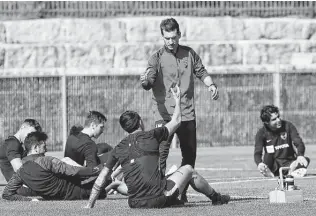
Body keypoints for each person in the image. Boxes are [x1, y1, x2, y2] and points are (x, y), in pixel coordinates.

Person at [85, 85, 230, 209]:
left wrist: (90, 204)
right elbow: (177, 120)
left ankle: (176, 200)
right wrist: (178, 100)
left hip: (134, 203)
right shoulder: (152, 135)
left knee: (162, 179)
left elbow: (102, 177)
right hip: (157, 198)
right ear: (140, 122)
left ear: (125, 129)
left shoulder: (119, 147)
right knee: (189, 170)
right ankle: (216, 198)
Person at [140, 17, 219, 201]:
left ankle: (181, 194)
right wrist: (145, 81)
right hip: (164, 115)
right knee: (160, 155)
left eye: (173, 37)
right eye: (167, 38)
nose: (170, 41)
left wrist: (211, 85)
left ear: (179, 35)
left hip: (186, 114)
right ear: (162, 37)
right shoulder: (156, 57)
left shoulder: (189, 54)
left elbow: (201, 71)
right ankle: (158, 194)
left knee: (189, 157)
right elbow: (148, 80)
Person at [2, 131, 106, 201]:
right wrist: (98, 170)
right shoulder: (46, 161)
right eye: (44, 146)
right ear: (36, 147)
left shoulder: (20, 171)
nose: (46, 150)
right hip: (80, 192)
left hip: (60, 197)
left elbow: (6, 193)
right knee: (103, 191)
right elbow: (74, 171)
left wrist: (29, 200)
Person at [254, 105, 310, 178]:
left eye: (278, 117)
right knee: (268, 156)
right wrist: (260, 164)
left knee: (305, 160)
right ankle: (272, 175)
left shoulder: (288, 126)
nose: (278, 120)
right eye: (274, 119)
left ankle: (291, 172)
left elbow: (298, 142)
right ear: (266, 122)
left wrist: (300, 155)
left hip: (289, 162)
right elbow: (257, 153)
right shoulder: (261, 133)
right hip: (273, 165)